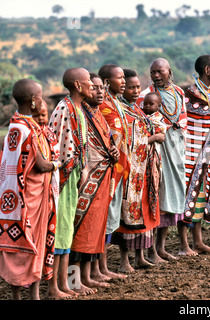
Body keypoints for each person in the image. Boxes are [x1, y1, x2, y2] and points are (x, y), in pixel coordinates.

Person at [0, 79, 59, 300]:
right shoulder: (23, 129)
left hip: (33, 197)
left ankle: (33, 295)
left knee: (37, 244)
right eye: (41, 95)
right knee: (23, 248)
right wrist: (58, 164)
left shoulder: (22, 126)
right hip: (25, 200)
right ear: (34, 101)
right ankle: (19, 296)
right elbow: (42, 164)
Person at [68, 72, 119, 291]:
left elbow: (106, 142)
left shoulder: (98, 114)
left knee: (95, 229)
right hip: (87, 180)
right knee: (80, 230)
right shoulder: (78, 113)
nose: (98, 92)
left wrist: (114, 151)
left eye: (101, 88)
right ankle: (73, 280)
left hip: (103, 178)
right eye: (94, 87)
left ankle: (87, 276)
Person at [136, 58, 189, 260]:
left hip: (176, 150)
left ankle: (161, 247)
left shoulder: (179, 93)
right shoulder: (146, 96)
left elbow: (182, 121)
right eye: (153, 73)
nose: (156, 75)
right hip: (157, 151)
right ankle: (151, 250)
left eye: (160, 71)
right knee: (157, 196)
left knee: (171, 197)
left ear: (170, 71)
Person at [47, 68, 92, 298]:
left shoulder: (78, 109)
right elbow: (57, 146)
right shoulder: (64, 109)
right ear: (77, 84)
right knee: (61, 230)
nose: (92, 86)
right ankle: (53, 287)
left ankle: (63, 283)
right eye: (88, 83)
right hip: (63, 178)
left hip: (73, 175)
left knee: (67, 230)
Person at [112, 68, 161, 273]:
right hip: (130, 172)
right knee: (127, 216)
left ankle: (140, 257)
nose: (134, 90)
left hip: (145, 171)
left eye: (137, 87)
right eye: (130, 87)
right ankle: (124, 261)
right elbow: (126, 142)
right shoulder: (120, 111)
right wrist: (153, 139)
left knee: (144, 212)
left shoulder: (138, 110)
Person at [182, 55, 210, 253]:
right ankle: (183, 244)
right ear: (207, 70)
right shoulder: (191, 93)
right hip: (191, 153)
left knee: (200, 194)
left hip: (208, 154)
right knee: (187, 193)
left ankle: (198, 241)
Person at [97, 64, 130, 279]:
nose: (124, 81)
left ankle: (103, 268)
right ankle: (100, 268)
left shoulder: (116, 103)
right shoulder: (102, 106)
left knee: (111, 218)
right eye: (120, 77)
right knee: (103, 218)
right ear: (107, 81)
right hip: (106, 171)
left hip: (118, 170)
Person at [139, 91, 166, 264]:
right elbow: (138, 139)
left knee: (153, 206)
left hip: (154, 167)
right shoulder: (140, 117)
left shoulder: (159, 120)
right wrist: (154, 137)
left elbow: (162, 137)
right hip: (142, 168)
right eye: (145, 104)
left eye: (151, 104)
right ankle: (144, 253)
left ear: (158, 106)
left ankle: (153, 251)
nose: (147, 107)